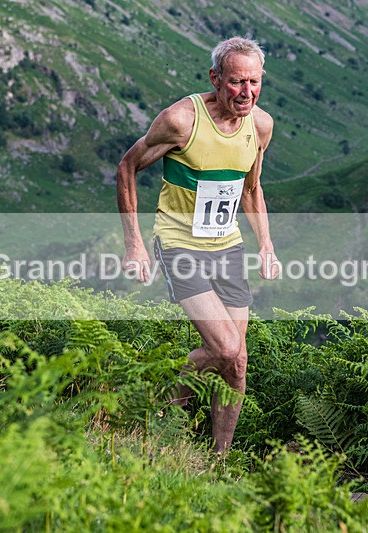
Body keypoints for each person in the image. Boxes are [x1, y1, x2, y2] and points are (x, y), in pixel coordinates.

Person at [116, 36, 280, 454]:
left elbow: (252, 187)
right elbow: (127, 166)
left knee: (236, 362)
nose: (246, 93)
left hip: (227, 247)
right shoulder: (181, 120)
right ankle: (161, 392)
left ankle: (217, 462)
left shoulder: (261, 125)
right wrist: (133, 243)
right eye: (236, 82)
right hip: (179, 244)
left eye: (255, 82)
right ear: (215, 79)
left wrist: (267, 245)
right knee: (225, 346)